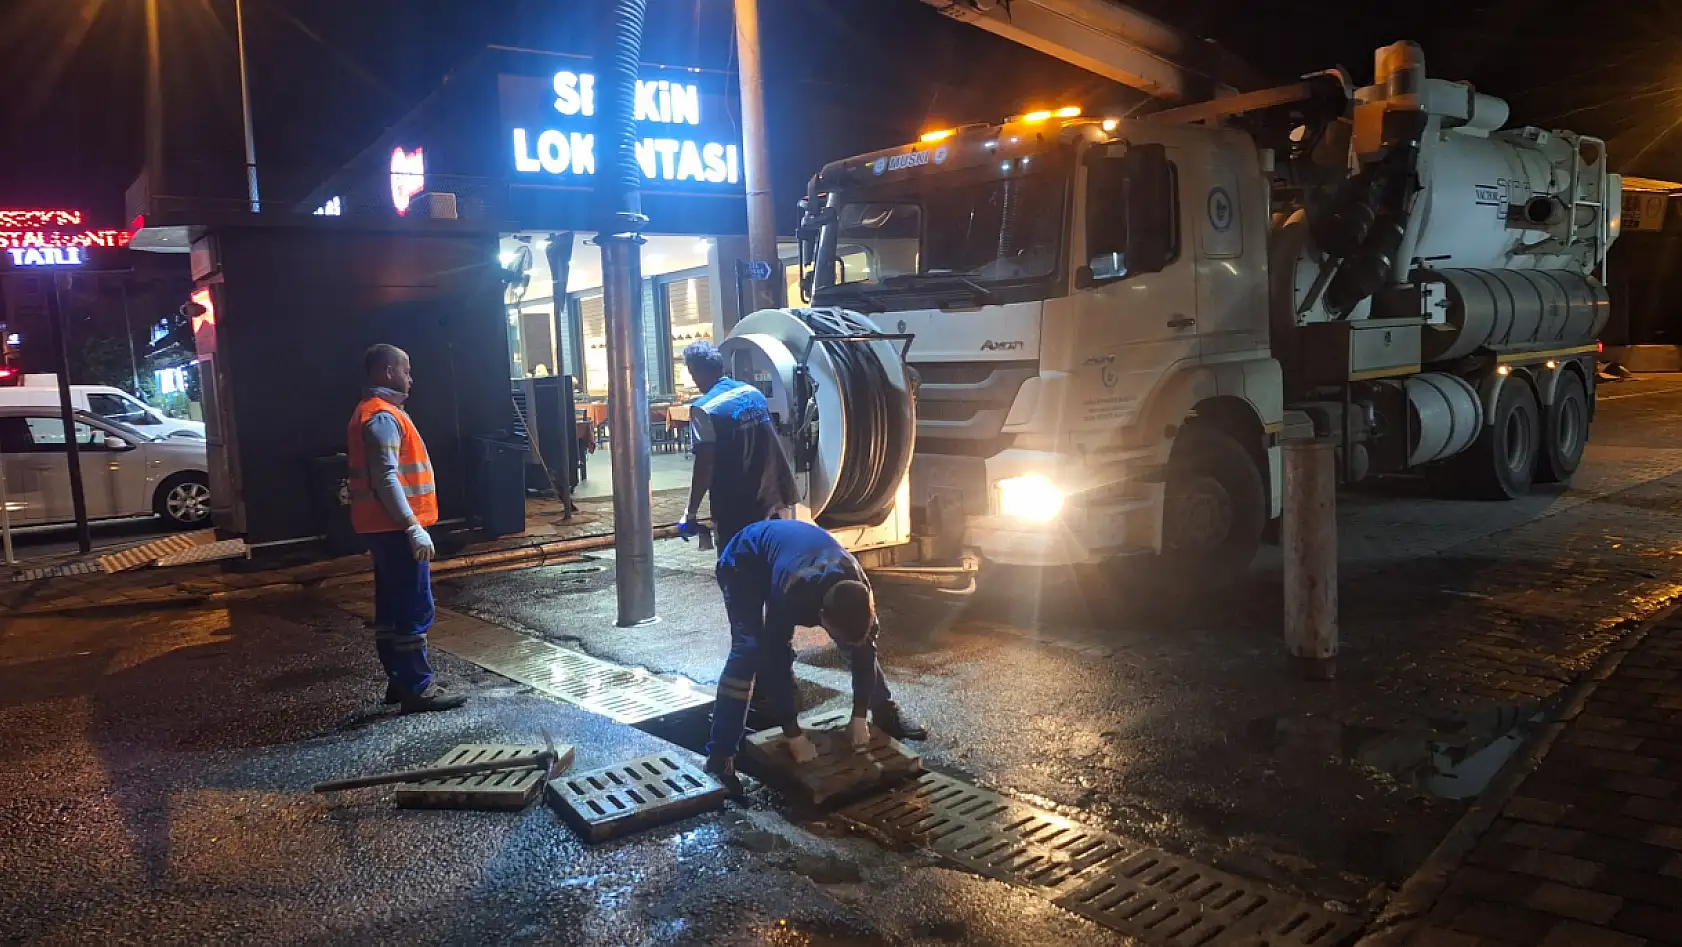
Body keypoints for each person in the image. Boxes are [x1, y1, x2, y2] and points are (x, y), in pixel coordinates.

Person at [704, 518, 927, 793]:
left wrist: (859, 715)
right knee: (749, 649)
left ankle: (884, 710)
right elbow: (775, 661)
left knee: (859, 646)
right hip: (745, 560)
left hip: (793, 554)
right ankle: (720, 758)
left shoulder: (859, 589)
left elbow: (864, 650)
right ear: (821, 619)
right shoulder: (793, 593)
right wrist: (792, 733)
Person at [347, 344, 465, 713]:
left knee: (392, 606)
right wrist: (412, 526)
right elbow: (386, 477)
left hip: (379, 528)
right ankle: (417, 687)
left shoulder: (371, 413)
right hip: (395, 529)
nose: (410, 378)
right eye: (405, 370)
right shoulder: (383, 417)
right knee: (414, 606)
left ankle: (400, 681)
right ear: (386, 372)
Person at [679, 340, 799, 552]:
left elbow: (704, 466)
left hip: (736, 507)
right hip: (773, 499)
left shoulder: (703, 409)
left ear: (696, 372)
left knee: (738, 570)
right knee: (770, 560)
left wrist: (691, 512)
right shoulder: (752, 393)